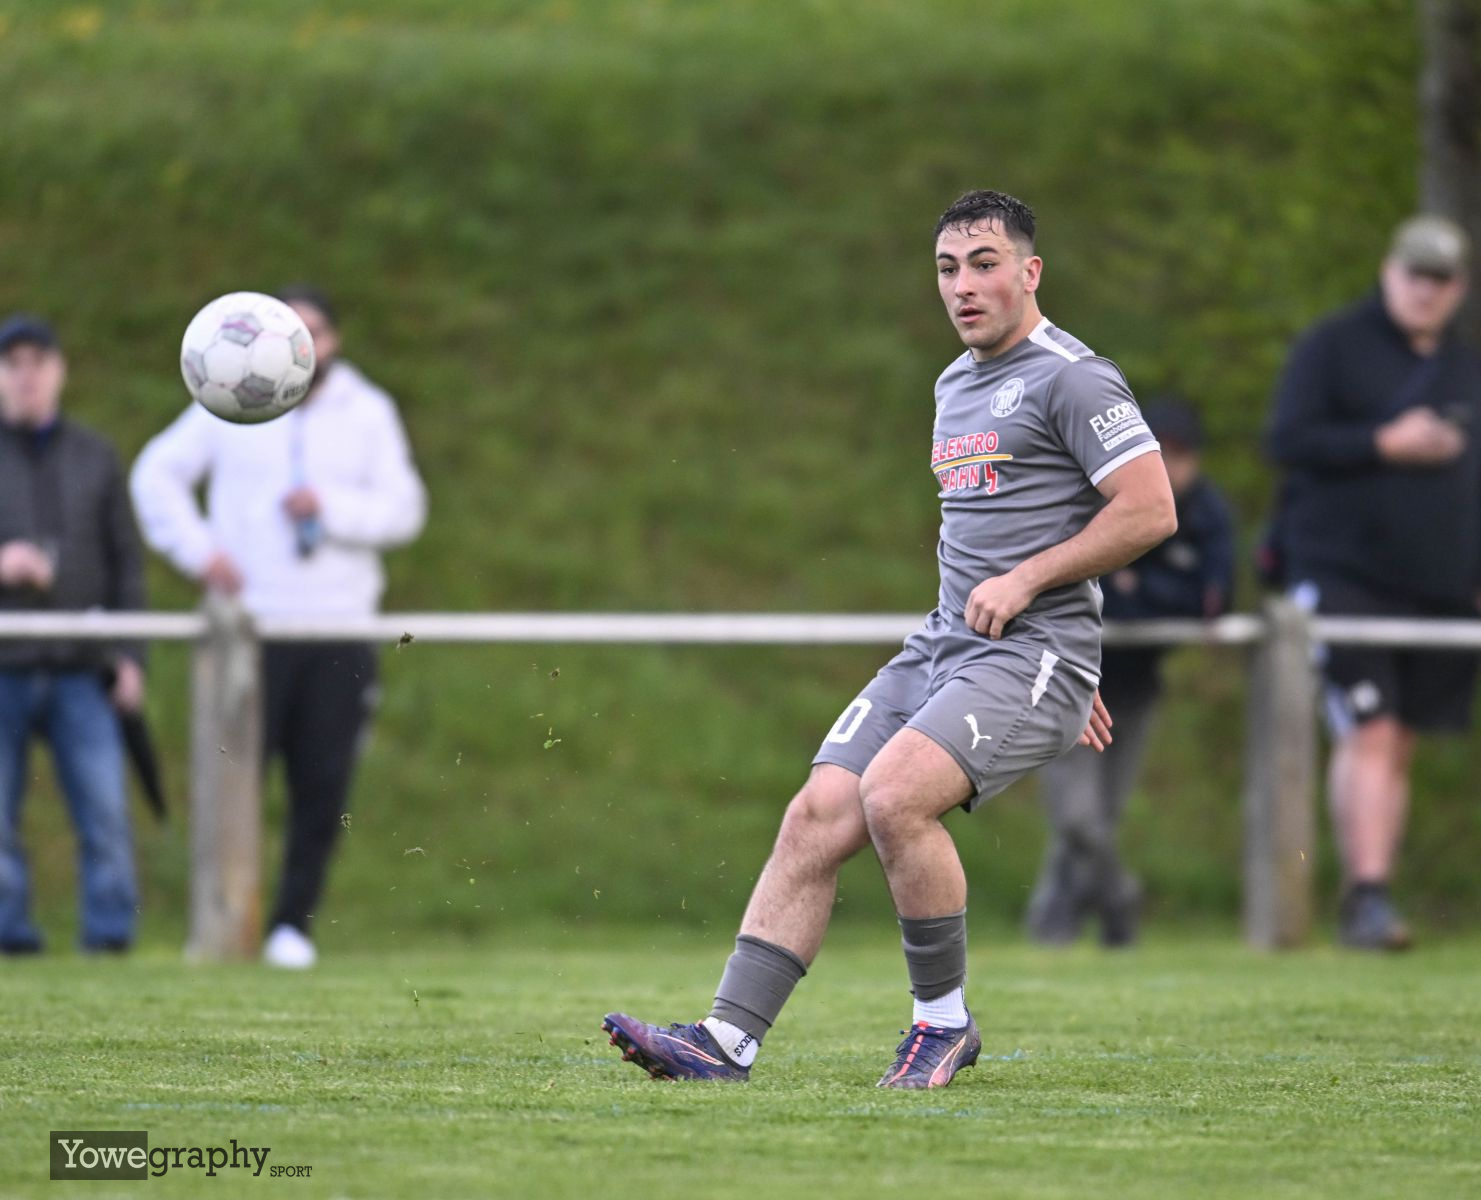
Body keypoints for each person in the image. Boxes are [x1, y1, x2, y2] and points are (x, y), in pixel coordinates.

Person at [602, 190, 1175, 1088]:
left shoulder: (1073, 377)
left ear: (1030, 272)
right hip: (949, 647)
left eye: (983, 264)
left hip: (1030, 651)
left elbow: (1149, 509)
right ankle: (723, 1041)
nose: (962, 286)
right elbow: (994, 529)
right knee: (817, 812)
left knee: (895, 796)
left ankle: (941, 1027)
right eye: (947, 269)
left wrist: (1043, 611)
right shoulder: (952, 384)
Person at [130, 286, 426, 969]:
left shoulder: (368, 411)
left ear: (333, 341)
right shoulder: (230, 397)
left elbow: (406, 509)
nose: (307, 344)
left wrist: (332, 507)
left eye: (316, 331)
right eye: (296, 329)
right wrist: (202, 554)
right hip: (249, 632)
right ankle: (221, 920)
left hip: (337, 629)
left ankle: (292, 926)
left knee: (322, 787)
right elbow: (154, 477)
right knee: (233, 782)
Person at [1266, 214, 1481, 952]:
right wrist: (1381, 442)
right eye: (1416, 274)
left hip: (1439, 590)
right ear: (1390, 272)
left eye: (1441, 279)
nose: (1426, 290)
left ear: (1458, 288)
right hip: (1344, 576)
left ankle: (1371, 893)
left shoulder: (1465, 367)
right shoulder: (1331, 346)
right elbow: (1286, 440)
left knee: (1399, 742)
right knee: (1371, 729)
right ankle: (1366, 895)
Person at [1025, 398, 1234, 948]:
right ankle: (1119, 898)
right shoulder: (1097, 495)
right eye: (1163, 453)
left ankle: (1057, 925)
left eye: (1183, 455)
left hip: (1135, 686)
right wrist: (1145, 594)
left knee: (1099, 819)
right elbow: (1084, 587)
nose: (1173, 467)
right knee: (1079, 820)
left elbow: (1211, 599)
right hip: (1072, 678)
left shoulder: (1208, 514)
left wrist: (1138, 589)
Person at [0, 314, 147, 955]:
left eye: (38, 362)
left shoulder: (96, 455)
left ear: (59, 371)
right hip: (3, 664)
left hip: (82, 666)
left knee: (105, 812)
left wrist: (132, 655)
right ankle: (9, 936)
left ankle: (109, 938)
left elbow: (126, 564)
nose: (26, 376)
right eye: (13, 364)